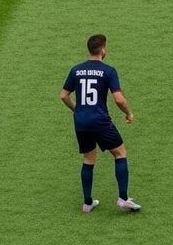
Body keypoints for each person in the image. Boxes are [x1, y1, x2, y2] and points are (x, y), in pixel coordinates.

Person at [60, 34, 142, 213]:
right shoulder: (108, 71)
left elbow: (63, 95)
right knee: (120, 153)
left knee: (89, 158)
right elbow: (119, 100)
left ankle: (87, 203)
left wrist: (77, 110)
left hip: (81, 121)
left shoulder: (76, 70)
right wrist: (129, 113)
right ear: (103, 49)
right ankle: (122, 198)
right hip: (100, 120)